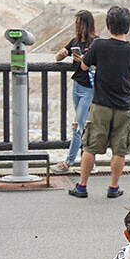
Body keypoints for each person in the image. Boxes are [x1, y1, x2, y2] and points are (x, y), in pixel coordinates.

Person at [69, 6, 130, 199]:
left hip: (101, 104)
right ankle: (113, 187)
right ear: (127, 26)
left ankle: (82, 186)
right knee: (119, 149)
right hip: (123, 106)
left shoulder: (99, 45)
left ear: (109, 25)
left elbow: (84, 66)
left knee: (91, 146)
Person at [51, 10, 98, 175]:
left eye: (80, 23)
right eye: (76, 23)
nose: (77, 26)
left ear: (87, 24)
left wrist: (83, 61)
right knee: (83, 125)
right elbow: (57, 58)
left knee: (77, 126)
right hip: (77, 86)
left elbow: (99, 66)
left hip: (89, 89)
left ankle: (68, 162)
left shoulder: (96, 43)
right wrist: (61, 54)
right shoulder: (74, 42)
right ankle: (89, 162)